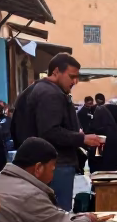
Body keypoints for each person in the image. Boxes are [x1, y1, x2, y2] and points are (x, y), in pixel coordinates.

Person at [11, 53, 104, 210]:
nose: (75, 82)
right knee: (58, 215)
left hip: (44, 164)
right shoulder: (50, 93)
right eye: (72, 76)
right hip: (56, 165)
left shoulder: (38, 89)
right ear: (56, 72)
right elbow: (50, 132)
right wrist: (82, 139)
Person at [78, 96, 97, 173]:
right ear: (85, 102)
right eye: (89, 103)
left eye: (91, 103)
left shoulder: (91, 110)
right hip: (85, 135)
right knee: (84, 154)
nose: (90, 105)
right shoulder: (81, 112)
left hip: (90, 134)